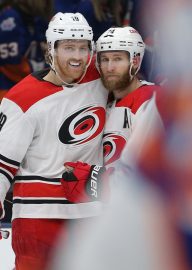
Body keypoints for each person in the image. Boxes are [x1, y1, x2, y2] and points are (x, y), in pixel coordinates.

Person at [0, 12, 108, 270]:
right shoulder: (21, 99)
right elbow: (2, 166)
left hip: (90, 214)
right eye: (69, 47)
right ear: (51, 49)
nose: (77, 56)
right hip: (37, 218)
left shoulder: (101, 77)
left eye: (83, 48)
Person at [59, 25, 162, 204]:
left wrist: (92, 182)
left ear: (135, 62)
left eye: (117, 59)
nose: (110, 67)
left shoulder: (149, 99)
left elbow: (147, 173)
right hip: (110, 211)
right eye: (104, 59)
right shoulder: (103, 104)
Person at [0, 0, 53, 100]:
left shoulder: (37, 18)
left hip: (33, 88)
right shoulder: (9, 19)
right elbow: (12, 65)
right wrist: (47, 68)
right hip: (8, 91)